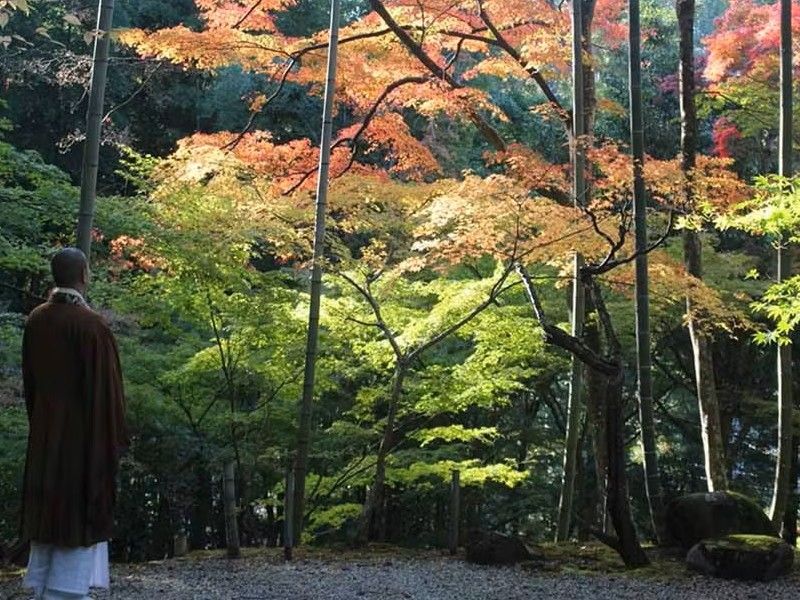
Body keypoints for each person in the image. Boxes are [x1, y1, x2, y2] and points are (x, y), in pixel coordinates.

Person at [20, 247, 128, 600]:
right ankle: (65, 592)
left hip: (45, 437)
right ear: (84, 275)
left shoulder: (37, 319)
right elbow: (108, 396)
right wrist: (112, 442)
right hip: (82, 443)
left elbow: (30, 386)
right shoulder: (91, 326)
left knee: (49, 515)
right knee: (76, 513)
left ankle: (43, 589)